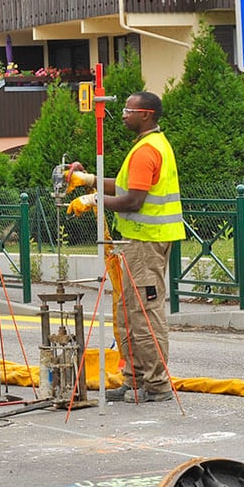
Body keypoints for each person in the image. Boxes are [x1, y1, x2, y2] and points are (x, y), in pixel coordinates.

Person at [66, 91, 184, 403]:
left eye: (129, 110)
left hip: (146, 242)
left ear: (146, 114)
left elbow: (133, 199)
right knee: (128, 312)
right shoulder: (145, 146)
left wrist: (92, 200)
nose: (122, 114)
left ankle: (156, 384)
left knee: (145, 313)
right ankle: (134, 380)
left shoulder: (147, 151)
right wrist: (87, 179)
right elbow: (124, 186)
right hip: (135, 241)